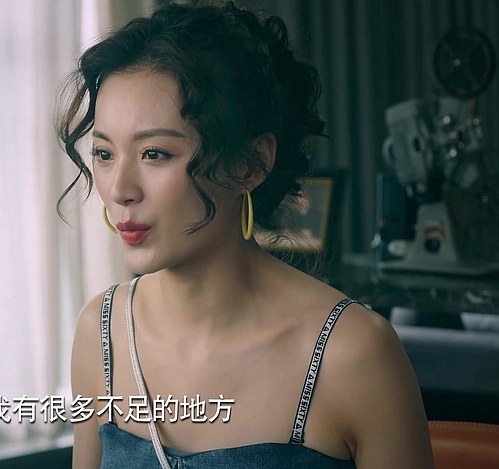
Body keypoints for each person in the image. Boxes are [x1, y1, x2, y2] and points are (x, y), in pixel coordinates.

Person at [56, 1, 434, 468]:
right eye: (104, 154)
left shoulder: (353, 353)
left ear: (251, 164)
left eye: (155, 153)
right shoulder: (102, 332)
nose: (120, 190)